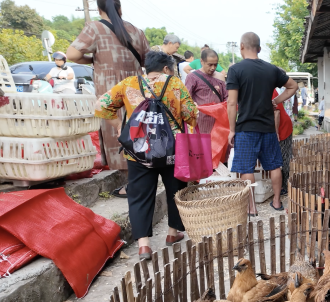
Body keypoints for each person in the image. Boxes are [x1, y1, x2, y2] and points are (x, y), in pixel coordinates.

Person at [94, 51, 198, 260]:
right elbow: (190, 114)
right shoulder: (175, 84)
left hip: (139, 152)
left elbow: (100, 106)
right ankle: (171, 234)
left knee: (140, 197)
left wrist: (118, 126)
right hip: (172, 151)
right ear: (167, 68)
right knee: (176, 192)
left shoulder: (129, 83)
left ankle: (144, 246)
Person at [67, 0, 150, 198]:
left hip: (110, 91)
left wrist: (93, 59)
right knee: (138, 130)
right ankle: (142, 180)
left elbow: (72, 54)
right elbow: (147, 59)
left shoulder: (94, 28)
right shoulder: (136, 31)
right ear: (120, 8)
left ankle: (132, 184)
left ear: (99, 8)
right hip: (135, 90)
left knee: (117, 132)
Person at [226, 32, 298, 214]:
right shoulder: (271, 69)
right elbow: (293, 86)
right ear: (259, 48)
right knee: (274, 165)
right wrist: (277, 101)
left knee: (246, 168)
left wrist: (231, 130)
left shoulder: (236, 70)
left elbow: (232, 103)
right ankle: (276, 202)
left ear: (241, 46)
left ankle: (251, 207)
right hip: (267, 128)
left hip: (245, 128)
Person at [185, 49, 228, 134]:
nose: (213, 68)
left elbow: (226, 97)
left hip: (218, 122)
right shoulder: (192, 77)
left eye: (215, 65)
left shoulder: (220, 77)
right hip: (201, 122)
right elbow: (186, 99)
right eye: (210, 65)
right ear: (202, 61)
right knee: (202, 145)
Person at [273, 80, 293, 197]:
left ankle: (285, 186)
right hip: (275, 127)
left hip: (282, 128)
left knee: (284, 157)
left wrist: (276, 133)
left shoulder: (271, 91)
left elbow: (277, 113)